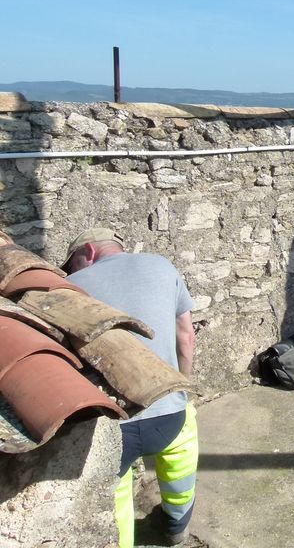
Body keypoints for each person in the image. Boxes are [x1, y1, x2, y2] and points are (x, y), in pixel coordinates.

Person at [63, 227, 197, 548]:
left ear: (89, 253)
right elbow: (187, 338)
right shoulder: (163, 266)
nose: (70, 271)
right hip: (168, 415)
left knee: (117, 492)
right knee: (182, 451)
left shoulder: (68, 289)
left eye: (71, 263)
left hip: (113, 425)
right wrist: (183, 391)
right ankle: (176, 528)